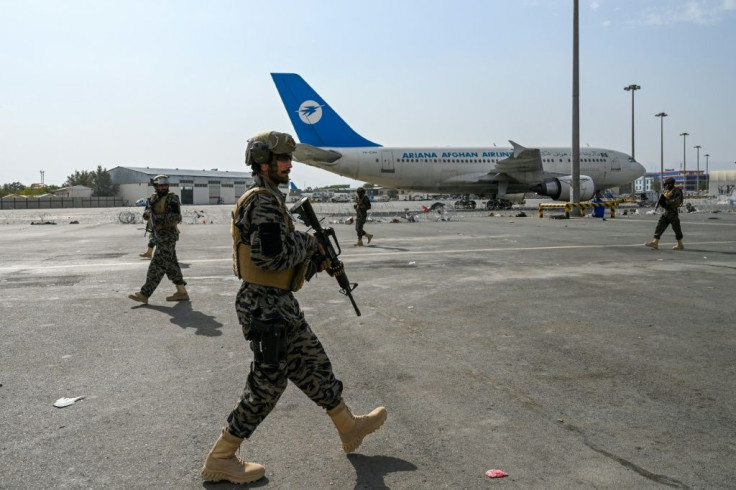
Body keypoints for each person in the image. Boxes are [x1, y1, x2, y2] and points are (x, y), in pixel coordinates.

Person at [200, 131, 387, 485]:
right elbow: (268, 258)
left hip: (278, 302)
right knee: (268, 384)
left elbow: (284, 266)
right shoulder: (263, 202)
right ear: (263, 162)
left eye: (289, 158)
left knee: (313, 363)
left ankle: (348, 427)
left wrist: (318, 261)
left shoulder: (272, 199)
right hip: (264, 306)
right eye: (283, 159)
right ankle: (221, 457)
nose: (289, 164)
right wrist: (309, 243)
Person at [128, 175, 189, 303]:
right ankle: (182, 292)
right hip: (157, 236)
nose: (164, 187)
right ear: (155, 186)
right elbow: (146, 214)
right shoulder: (152, 199)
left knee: (156, 266)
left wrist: (157, 219)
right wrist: (147, 215)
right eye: (161, 185)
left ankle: (144, 294)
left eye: (165, 185)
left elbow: (176, 217)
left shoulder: (172, 198)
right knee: (171, 266)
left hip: (168, 237)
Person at [645, 177, 684, 250]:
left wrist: (667, 201)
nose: (666, 186)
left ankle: (680, 244)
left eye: (667, 184)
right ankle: (655, 242)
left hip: (673, 212)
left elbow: (677, 201)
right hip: (667, 212)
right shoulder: (667, 191)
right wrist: (662, 202)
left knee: (676, 229)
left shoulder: (677, 190)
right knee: (659, 226)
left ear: (670, 184)